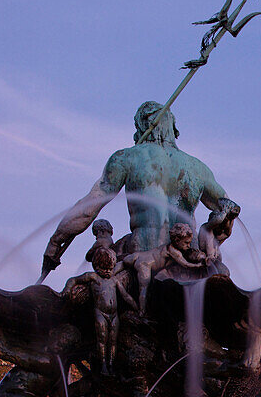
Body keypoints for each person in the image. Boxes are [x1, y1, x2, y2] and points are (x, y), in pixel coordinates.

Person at [40, 101, 239, 280]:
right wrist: (215, 234)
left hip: (144, 256)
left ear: (144, 125)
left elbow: (87, 209)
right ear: (172, 127)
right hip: (190, 259)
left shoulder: (126, 157)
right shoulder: (198, 168)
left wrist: (55, 245)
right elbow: (228, 207)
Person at [64, 248, 138, 374]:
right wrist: (67, 290)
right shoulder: (94, 278)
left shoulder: (114, 279)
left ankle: (111, 364)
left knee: (113, 340)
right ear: (96, 267)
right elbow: (74, 280)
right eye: (104, 269)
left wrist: (137, 307)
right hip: (100, 313)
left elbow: (125, 295)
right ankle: (103, 364)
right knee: (102, 339)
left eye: (110, 269)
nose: (108, 272)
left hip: (114, 315)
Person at [123, 222, 206, 310]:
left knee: (123, 263)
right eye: (186, 243)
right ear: (177, 240)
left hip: (140, 255)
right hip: (146, 264)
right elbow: (185, 264)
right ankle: (142, 312)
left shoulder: (166, 246)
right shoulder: (174, 251)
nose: (188, 246)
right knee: (144, 289)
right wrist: (199, 265)